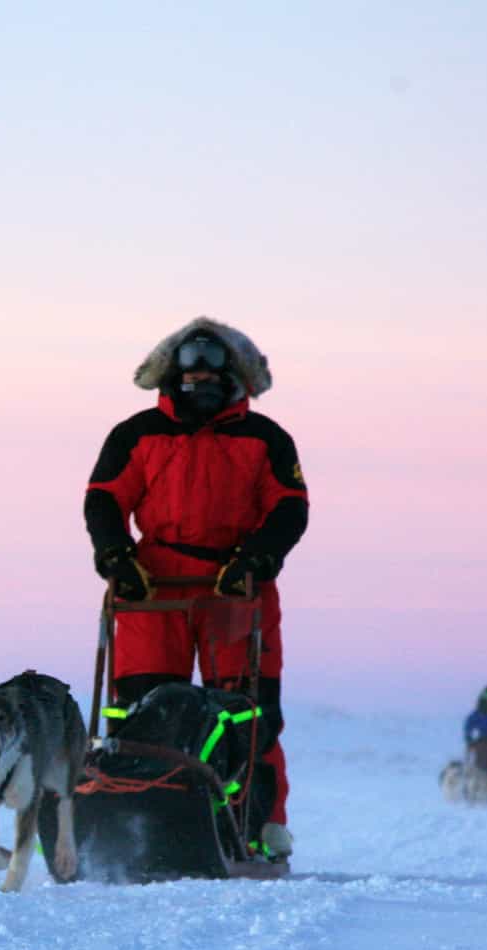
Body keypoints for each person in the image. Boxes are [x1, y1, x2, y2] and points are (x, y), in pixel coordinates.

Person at [83, 317, 309, 859]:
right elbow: (104, 499)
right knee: (141, 710)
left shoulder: (266, 439)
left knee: (247, 713)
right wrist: (116, 553)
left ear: (234, 377)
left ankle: (257, 829)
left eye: (213, 370)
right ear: (173, 375)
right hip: (152, 586)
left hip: (237, 587)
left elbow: (289, 507)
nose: (201, 380)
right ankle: (135, 822)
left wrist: (256, 558)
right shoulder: (135, 435)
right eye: (191, 370)